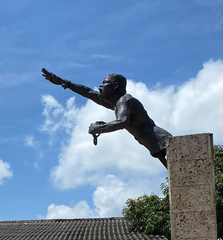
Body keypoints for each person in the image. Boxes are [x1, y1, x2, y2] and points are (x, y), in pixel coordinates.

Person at [41, 68, 172, 168]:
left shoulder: (125, 100)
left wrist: (98, 128)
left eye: (104, 83)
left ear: (115, 86)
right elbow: (88, 92)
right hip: (153, 143)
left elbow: (121, 122)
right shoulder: (115, 104)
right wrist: (65, 83)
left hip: (161, 141)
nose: (100, 86)